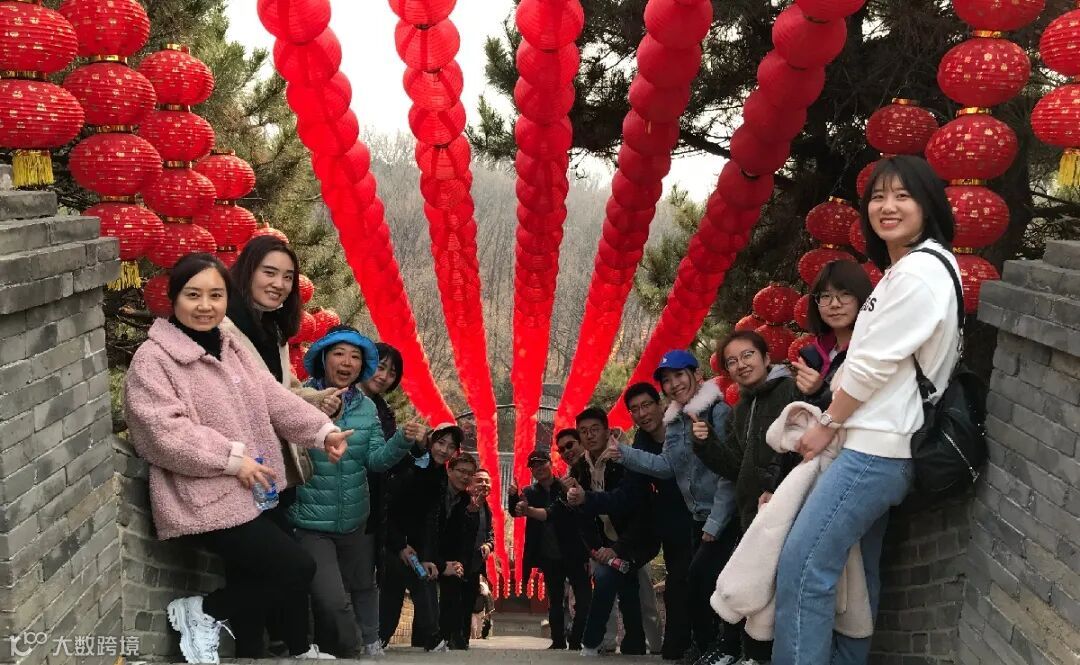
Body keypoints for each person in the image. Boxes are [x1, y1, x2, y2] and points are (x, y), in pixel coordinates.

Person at [773, 155, 960, 665]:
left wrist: (827, 422)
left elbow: (872, 365)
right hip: (881, 446)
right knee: (857, 576)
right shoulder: (909, 269)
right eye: (878, 197)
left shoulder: (921, 272)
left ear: (928, 205)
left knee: (802, 568)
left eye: (902, 196)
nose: (887, 207)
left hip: (876, 450)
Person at [124, 253, 353, 663]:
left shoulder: (230, 347)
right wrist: (231, 458)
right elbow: (161, 433)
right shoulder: (154, 358)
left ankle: (267, 643)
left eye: (216, 295)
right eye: (193, 295)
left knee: (276, 569)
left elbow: (273, 396)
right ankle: (204, 612)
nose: (205, 305)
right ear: (173, 298)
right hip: (202, 496)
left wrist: (323, 432)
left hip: (251, 488)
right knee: (294, 567)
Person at [290, 326, 424, 658]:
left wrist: (402, 440)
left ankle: (368, 642)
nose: (347, 362)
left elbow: (376, 460)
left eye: (355, 356)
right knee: (332, 598)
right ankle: (348, 647)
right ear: (323, 358)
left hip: (355, 519)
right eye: (339, 354)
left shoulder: (367, 408)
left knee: (364, 585)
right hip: (311, 520)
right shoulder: (299, 398)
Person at [606, 350, 739, 665]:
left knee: (710, 581)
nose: (674, 384)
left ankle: (726, 648)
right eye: (667, 380)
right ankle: (707, 647)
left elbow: (729, 472)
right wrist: (624, 453)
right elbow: (667, 466)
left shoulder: (718, 412)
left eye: (679, 375)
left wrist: (716, 522)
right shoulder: (675, 421)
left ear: (698, 375)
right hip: (698, 517)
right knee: (697, 583)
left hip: (723, 516)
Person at [691, 331, 801, 664]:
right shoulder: (741, 409)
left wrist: (776, 487)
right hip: (753, 512)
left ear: (767, 358)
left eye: (748, 355)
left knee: (776, 588)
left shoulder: (789, 390)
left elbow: (799, 443)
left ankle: (760, 655)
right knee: (756, 588)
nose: (741, 365)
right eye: (732, 361)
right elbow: (735, 466)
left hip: (786, 504)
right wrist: (706, 443)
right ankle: (750, 654)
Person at [222, 236, 338, 500]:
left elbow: (285, 390)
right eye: (269, 273)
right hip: (241, 470)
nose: (279, 284)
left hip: (277, 470)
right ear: (248, 271)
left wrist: (321, 400)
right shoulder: (222, 329)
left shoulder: (273, 330)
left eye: (288, 277)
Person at [362, 343, 437, 648]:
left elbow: (391, 462)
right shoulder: (337, 398)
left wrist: (417, 448)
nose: (384, 376)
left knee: (364, 579)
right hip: (338, 500)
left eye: (392, 372)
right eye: (380, 367)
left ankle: (368, 639)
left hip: (370, 507)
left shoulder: (385, 412)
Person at [568, 408, 658, 657]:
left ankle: (591, 642)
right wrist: (595, 549)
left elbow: (632, 505)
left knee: (614, 581)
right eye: (583, 431)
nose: (589, 435)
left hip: (636, 537)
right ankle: (634, 643)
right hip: (605, 542)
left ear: (607, 431)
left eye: (595, 429)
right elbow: (582, 517)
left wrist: (617, 549)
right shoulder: (580, 468)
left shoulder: (624, 458)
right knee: (626, 586)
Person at [380, 422, 466, 652]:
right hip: (387, 537)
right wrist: (400, 544)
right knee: (393, 584)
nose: (444, 450)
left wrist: (428, 557)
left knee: (421, 576)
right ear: (430, 441)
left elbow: (429, 521)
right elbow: (387, 508)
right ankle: (380, 637)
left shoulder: (439, 476)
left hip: (410, 545)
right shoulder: (409, 463)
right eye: (440, 442)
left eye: (451, 446)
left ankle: (427, 636)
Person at [624, 383, 695, 660]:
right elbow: (634, 491)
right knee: (676, 584)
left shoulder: (683, 427)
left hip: (700, 516)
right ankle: (677, 645)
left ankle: (698, 643)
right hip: (669, 525)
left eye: (646, 405)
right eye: (634, 409)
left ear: (660, 404)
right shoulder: (641, 441)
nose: (642, 414)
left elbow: (669, 469)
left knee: (693, 581)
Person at [509, 446, 592, 651]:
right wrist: (513, 497)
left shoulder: (564, 485)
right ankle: (558, 641)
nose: (538, 468)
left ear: (550, 463)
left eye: (542, 463)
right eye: (533, 466)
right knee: (555, 600)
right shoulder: (529, 492)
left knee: (584, 599)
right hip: (549, 554)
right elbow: (517, 512)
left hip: (573, 551)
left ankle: (576, 640)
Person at [791, 261, 874, 410]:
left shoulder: (874, 349)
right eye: (825, 296)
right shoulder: (812, 355)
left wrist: (819, 391)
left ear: (862, 297)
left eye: (845, 294)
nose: (834, 304)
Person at [438, 463, 495, 649]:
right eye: (479, 480)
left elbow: (490, 534)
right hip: (456, 560)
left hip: (475, 564)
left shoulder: (487, 508)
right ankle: (447, 637)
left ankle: (462, 640)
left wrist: (488, 545)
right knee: (451, 600)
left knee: (469, 601)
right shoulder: (461, 502)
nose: (484, 484)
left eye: (487, 481)